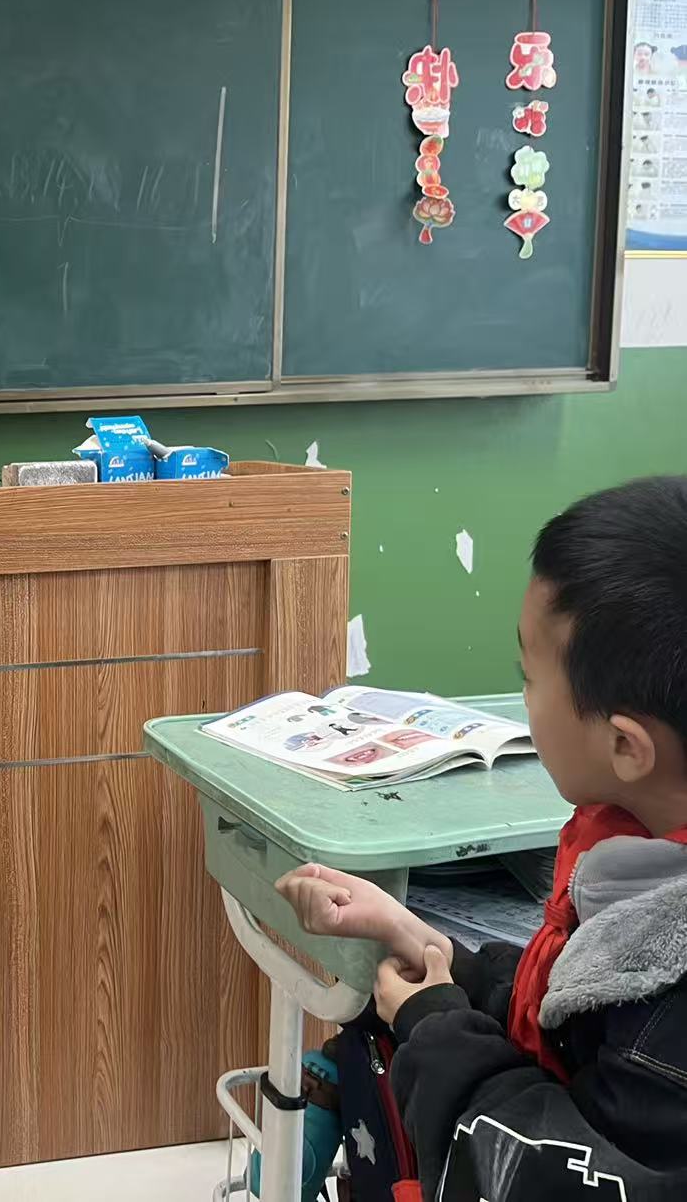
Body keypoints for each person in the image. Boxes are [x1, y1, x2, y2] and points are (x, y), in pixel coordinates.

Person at [277, 476, 687, 1201]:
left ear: (627, 746)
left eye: (529, 677)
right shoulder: (641, 863)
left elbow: (547, 1173)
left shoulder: (670, 1011)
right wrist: (432, 949)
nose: (523, 699)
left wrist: (434, 1026)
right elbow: (570, 1023)